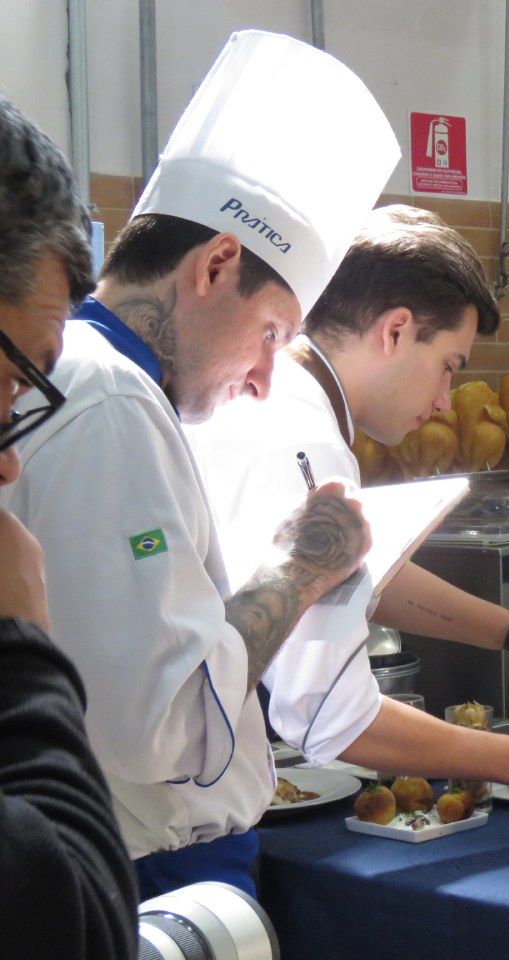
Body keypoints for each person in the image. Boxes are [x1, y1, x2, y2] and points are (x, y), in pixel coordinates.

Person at [0, 31, 400, 900]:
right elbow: (162, 721)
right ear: (218, 264)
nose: (263, 380)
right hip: (149, 874)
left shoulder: (87, 383)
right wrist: (300, 570)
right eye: (272, 335)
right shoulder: (111, 401)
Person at [185, 205, 509, 800]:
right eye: (448, 366)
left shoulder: (274, 400)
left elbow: (348, 580)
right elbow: (330, 716)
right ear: (395, 330)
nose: (446, 400)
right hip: (187, 810)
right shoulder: (305, 441)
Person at [0, 95, 137, 959]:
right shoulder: (120, 400)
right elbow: (77, 926)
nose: (9, 463)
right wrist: (18, 644)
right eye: (14, 380)